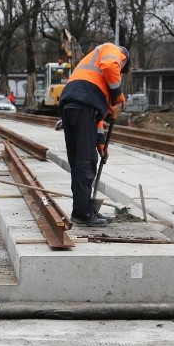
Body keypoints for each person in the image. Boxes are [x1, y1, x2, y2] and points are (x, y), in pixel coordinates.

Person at [58, 42, 129, 227]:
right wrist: (118, 94)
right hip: (83, 107)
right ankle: (83, 213)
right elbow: (111, 66)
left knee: (78, 160)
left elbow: (96, 120)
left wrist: (101, 144)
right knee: (86, 161)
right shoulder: (113, 50)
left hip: (71, 105)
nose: (119, 72)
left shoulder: (92, 77)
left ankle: (82, 208)